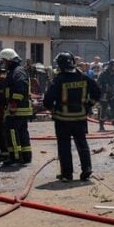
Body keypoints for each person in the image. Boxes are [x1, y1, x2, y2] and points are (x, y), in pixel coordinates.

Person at [43, 52, 100, 182]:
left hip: (62, 119)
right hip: (80, 118)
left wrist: (53, 110)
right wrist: (88, 106)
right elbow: (97, 92)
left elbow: (47, 101)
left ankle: (67, 174)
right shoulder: (84, 77)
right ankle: (87, 168)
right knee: (82, 143)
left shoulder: (58, 80)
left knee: (64, 146)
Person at [0, 48, 33, 166]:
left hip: (17, 109)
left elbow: (20, 89)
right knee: (22, 133)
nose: (3, 63)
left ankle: (16, 158)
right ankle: (26, 156)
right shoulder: (16, 70)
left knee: (12, 133)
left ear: (9, 60)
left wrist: (13, 104)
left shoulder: (17, 72)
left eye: (4, 61)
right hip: (20, 109)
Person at [97, 59, 114, 132]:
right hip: (104, 94)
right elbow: (98, 84)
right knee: (103, 110)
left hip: (112, 94)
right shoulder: (103, 73)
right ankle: (101, 126)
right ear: (111, 66)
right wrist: (103, 89)